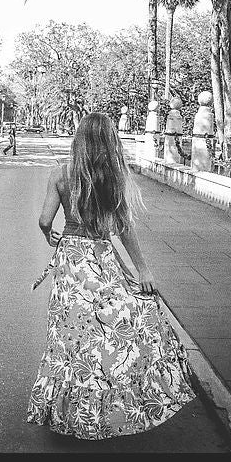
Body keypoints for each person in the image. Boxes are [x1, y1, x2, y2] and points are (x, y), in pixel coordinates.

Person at [28, 112, 196, 440]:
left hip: (71, 263)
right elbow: (123, 229)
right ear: (109, 142)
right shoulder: (113, 178)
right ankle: (118, 400)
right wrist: (143, 270)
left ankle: (71, 414)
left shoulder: (61, 175)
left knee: (70, 339)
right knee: (113, 327)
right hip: (101, 259)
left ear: (79, 140)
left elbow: (44, 218)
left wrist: (51, 233)